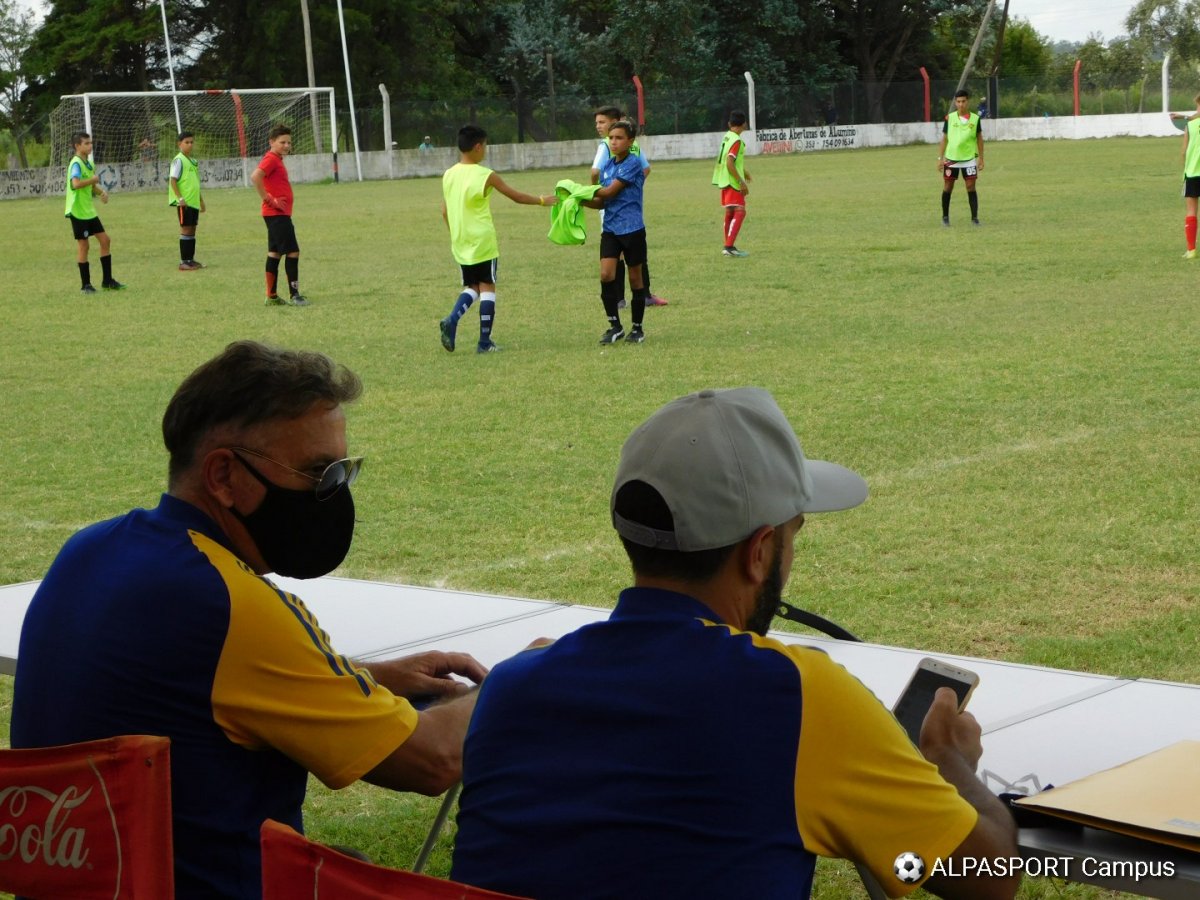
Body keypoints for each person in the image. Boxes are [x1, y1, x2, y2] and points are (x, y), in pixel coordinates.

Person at [451, 387, 1021, 900]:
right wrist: (950, 762)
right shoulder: (799, 698)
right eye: (794, 536)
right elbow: (988, 880)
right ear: (758, 552)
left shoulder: (510, 687)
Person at [10, 340, 488, 900]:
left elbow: (192, 686)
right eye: (316, 473)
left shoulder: (89, 551)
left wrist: (369, 676)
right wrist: (516, 680)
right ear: (223, 476)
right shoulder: (232, 606)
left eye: (343, 470)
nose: (332, 494)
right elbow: (429, 762)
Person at [438, 124, 555, 354]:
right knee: (487, 286)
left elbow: (444, 210)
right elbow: (516, 196)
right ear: (478, 147)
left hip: (460, 239)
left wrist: (455, 234)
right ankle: (484, 342)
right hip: (482, 240)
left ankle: (453, 319)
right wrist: (542, 200)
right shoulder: (485, 175)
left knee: (472, 285)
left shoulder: (449, 174)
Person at [590, 106, 667, 307]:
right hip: (616, 205)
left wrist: (609, 192)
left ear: (617, 121)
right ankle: (633, 296)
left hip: (613, 205)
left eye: (602, 122)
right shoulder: (626, 145)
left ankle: (622, 298)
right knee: (625, 253)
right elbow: (646, 169)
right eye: (597, 122)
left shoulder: (607, 146)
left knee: (626, 253)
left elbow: (594, 172)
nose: (599, 126)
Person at [583, 120, 649, 345]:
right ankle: (615, 326)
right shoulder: (608, 166)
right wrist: (578, 202)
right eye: (611, 138)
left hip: (632, 230)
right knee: (606, 275)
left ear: (630, 142)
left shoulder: (632, 164)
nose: (614, 142)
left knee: (635, 278)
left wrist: (580, 191)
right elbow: (602, 202)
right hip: (610, 230)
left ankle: (637, 328)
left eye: (619, 138)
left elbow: (610, 192)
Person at [251, 124, 307, 306]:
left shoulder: (277, 159)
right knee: (293, 251)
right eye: (282, 142)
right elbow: (255, 176)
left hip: (277, 214)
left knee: (274, 253)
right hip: (277, 214)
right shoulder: (272, 159)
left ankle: (272, 296)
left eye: (289, 142)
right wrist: (269, 199)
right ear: (271, 142)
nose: (286, 146)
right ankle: (295, 295)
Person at [64, 131, 124, 294]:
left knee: (105, 240)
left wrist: (101, 192)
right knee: (84, 245)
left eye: (91, 143)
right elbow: (76, 184)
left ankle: (107, 281)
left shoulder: (88, 164)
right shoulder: (76, 163)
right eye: (87, 143)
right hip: (77, 211)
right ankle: (86, 285)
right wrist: (93, 180)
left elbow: (90, 185)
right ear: (77, 146)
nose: (90, 146)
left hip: (89, 211)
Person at [937, 89, 985, 227]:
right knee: (948, 186)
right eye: (958, 102)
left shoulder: (975, 119)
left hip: (969, 158)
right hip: (951, 159)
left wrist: (981, 158)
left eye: (963, 101)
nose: (961, 104)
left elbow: (979, 139)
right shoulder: (949, 118)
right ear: (955, 102)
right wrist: (940, 158)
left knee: (971, 186)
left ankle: (974, 218)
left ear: (967, 102)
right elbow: (944, 139)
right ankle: (945, 217)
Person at [712, 110, 751, 257]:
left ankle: (727, 246)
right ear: (744, 125)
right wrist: (741, 182)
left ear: (729, 124)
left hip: (723, 178)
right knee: (740, 211)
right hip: (732, 180)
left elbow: (730, 160)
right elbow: (729, 162)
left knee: (730, 211)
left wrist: (744, 171)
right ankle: (729, 246)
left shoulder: (727, 137)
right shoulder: (737, 141)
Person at [169, 130, 207, 271]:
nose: (190, 145)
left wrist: (201, 201)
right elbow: (173, 180)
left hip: (193, 202)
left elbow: (195, 183)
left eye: (191, 142)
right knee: (185, 229)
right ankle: (183, 262)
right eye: (187, 142)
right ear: (180, 144)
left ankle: (190, 260)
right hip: (184, 202)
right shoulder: (179, 160)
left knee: (192, 229)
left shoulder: (192, 161)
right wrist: (180, 198)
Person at [1173, 93, 1200, 259]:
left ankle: (1191, 250)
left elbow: (1184, 151)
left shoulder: (1190, 126)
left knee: (1191, 210)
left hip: (1192, 172)